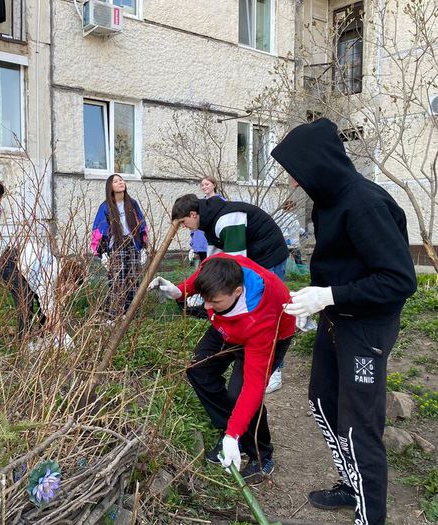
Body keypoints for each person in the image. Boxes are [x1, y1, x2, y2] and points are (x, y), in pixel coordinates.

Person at [271, 118, 417, 525]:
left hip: (366, 329)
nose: (294, 183)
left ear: (318, 164)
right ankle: (351, 485)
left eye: (297, 173)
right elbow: (337, 261)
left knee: (360, 426)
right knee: (321, 401)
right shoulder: (327, 199)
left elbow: (399, 280)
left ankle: (370, 516)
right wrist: (314, 302)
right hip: (337, 321)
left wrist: (329, 295)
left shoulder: (364, 203)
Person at [148, 255, 295, 483]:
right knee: (199, 368)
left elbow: (253, 386)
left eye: (213, 301)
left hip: (266, 332)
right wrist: (180, 291)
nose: (206, 306)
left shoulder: (261, 319)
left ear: (237, 292)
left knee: (241, 395)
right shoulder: (217, 266)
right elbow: (199, 281)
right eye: (205, 299)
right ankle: (231, 431)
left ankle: (261, 455)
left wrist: (234, 433)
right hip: (226, 322)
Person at [171, 193, 289, 392]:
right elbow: (213, 262)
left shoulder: (227, 219)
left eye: (183, 222)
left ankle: (273, 368)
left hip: (269, 258)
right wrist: (197, 289)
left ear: (193, 214)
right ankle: (246, 347)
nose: (184, 227)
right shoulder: (208, 223)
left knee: (270, 311)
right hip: (253, 257)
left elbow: (235, 263)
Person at [0, 238, 84, 345]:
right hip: (11, 263)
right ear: (67, 279)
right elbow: (49, 308)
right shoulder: (49, 276)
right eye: (68, 288)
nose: (69, 292)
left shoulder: (59, 271)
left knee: (44, 305)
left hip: (26, 265)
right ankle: (23, 344)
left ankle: (42, 338)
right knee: (25, 302)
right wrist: (65, 337)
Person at [91, 174, 148, 319]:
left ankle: (130, 314)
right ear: (110, 187)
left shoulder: (132, 204)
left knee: (133, 278)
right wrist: (102, 252)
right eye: (116, 181)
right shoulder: (106, 207)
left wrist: (143, 247)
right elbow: (99, 229)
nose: (120, 182)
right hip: (115, 244)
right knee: (117, 279)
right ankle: (114, 314)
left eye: (121, 180)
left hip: (132, 243)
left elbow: (141, 224)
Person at [188, 176, 224, 264]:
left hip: (214, 243)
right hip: (200, 244)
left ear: (214, 185)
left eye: (207, 184)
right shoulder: (199, 204)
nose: (204, 187)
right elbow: (194, 224)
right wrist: (193, 244)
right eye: (202, 185)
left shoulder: (222, 202)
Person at [272, 199, 304, 266]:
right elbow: (284, 229)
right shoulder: (284, 217)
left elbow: (296, 227)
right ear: (288, 207)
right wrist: (287, 239)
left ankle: (301, 273)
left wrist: (303, 232)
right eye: (292, 206)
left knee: (298, 259)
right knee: (285, 260)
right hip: (287, 243)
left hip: (294, 242)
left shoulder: (293, 216)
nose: (293, 208)